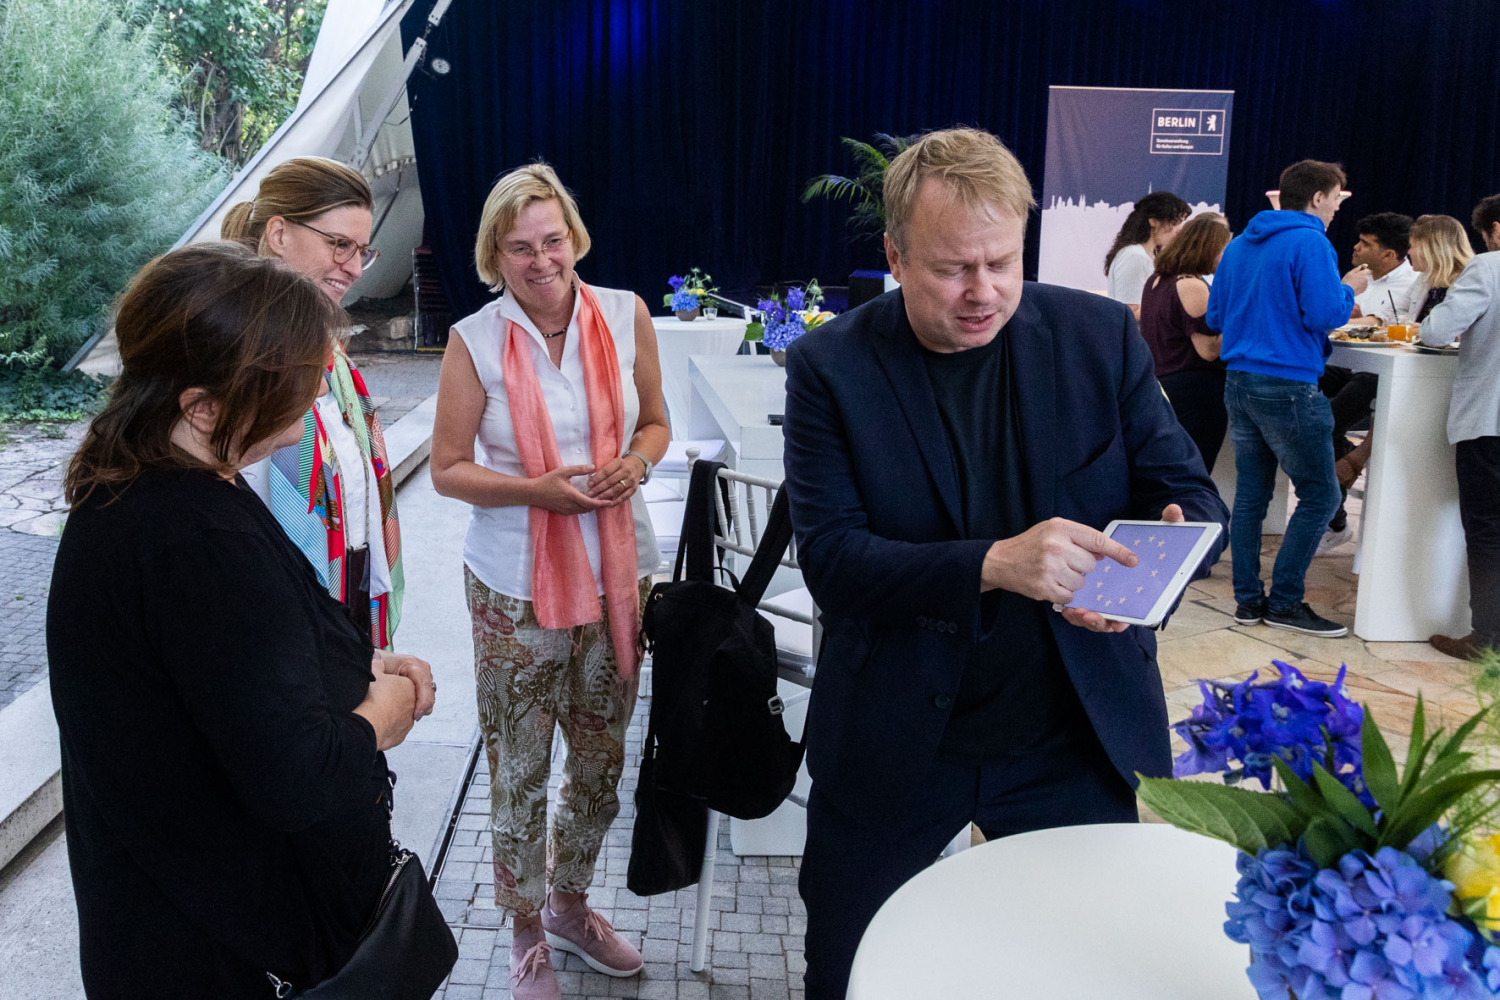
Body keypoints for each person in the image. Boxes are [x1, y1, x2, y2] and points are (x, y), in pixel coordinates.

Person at [781, 127, 1228, 1000]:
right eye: (953, 269)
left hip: (1072, 730)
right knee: (845, 965)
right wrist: (994, 563)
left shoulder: (1100, 337)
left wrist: (1149, 581)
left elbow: (1193, 498)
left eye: (1002, 262)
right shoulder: (832, 368)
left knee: (1077, 967)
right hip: (898, 733)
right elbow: (833, 562)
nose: (984, 291)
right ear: (896, 255)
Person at [47, 243, 438, 999]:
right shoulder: (199, 540)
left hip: (165, 921)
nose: (304, 409)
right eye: (289, 387)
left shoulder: (134, 489)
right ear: (202, 405)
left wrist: (351, 670)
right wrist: (378, 719)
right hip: (226, 950)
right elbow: (296, 780)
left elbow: (214, 682)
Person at [430, 163, 669, 1000]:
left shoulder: (625, 313)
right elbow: (449, 470)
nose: (542, 261)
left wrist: (636, 463)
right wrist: (534, 492)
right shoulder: (475, 339)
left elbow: (656, 421)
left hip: (616, 577)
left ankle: (571, 906)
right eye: (520, 247)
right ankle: (525, 931)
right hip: (511, 587)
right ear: (496, 254)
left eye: (553, 240)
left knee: (601, 759)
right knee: (520, 768)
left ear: (574, 235)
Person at [222, 157, 406, 651]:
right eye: (339, 244)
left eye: (362, 251)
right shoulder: (230, 354)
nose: (352, 267)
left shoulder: (329, 354)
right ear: (279, 234)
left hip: (345, 590)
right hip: (265, 610)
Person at [1207, 159, 1370, 638]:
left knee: (1252, 496)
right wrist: (1349, 287)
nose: (1339, 206)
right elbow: (1323, 313)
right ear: (1317, 197)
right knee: (1321, 495)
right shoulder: (1311, 241)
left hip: (1238, 381)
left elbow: (1217, 316)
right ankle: (1285, 602)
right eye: (1337, 196)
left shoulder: (1238, 245)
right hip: (1289, 383)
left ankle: (1247, 601)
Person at [1420, 194, 1500, 661]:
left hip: (1490, 420)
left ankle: (1488, 637)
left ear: (1492, 230)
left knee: (1488, 529)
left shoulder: (1488, 268)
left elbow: (1435, 332)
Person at [1138, 212, 1232, 473]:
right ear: (1208, 248)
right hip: (1195, 394)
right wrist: (1240, 315)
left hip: (1165, 386)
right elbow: (1208, 350)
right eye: (1223, 250)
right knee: (1194, 473)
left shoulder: (1156, 280)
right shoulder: (1191, 284)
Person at [1104, 190, 1191, 319]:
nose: (1178, 231)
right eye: (1174, 223)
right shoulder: (1134, 256)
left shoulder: (1148, 255)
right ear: (1153, 221)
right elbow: (1129, 311)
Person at [1347, 212, 1418, 325]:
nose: (1356, 247)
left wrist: (1360, 320)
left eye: (1365, 244)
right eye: (1359, 240)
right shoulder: (1353, 277)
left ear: (1388, 255)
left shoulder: (1415, 284)